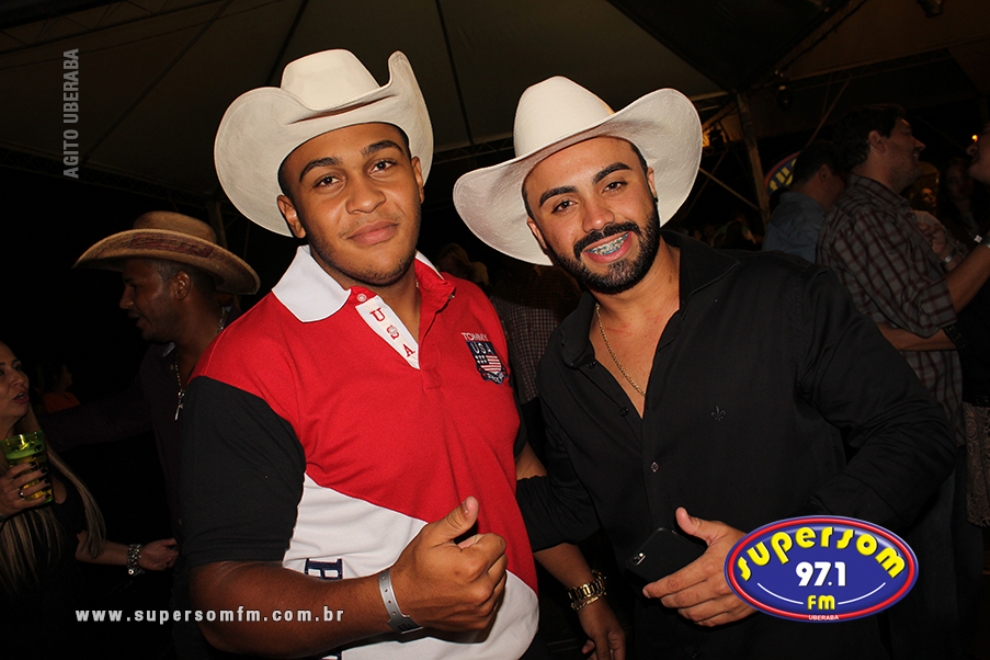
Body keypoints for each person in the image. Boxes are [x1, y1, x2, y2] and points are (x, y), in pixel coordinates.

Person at [452, 76, 957, 658]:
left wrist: (783, 560)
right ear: (539, 233)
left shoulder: (782, 295)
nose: (597, 219)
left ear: (650, 185)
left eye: (613, 183)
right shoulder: (562, 369)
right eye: (563, 203)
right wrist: (433, 500)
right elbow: (575, 503)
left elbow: (915, 433)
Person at [180, 49, 623, 660]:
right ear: (293, 214)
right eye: (327, 179)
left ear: (416, 176)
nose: (365, 197)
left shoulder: (470, 305)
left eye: (381, 164)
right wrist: (394, 599)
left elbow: (511, 463)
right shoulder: (246, 364)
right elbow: (222, 602)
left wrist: (584, 589)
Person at [39, 211, 260, 659]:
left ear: (179, 285)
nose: (124, 301)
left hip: (267, 570)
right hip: (193, 571)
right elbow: (111, 418)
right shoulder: (158, 366)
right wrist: (25, 430)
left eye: (134, 286)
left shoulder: (260, 351)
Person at [818, 104, 990, 658]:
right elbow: (931, 310)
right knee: (932, 600)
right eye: (907, 133)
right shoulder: (862, 218)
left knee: (957, 585)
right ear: (876, 141)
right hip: (910, 437)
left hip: (941, 425)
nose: (919, 145)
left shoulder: (891, 214)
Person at [0, 340, 177, 657]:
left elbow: (63, 539)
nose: (19, 378)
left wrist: (136, 555)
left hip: (73, 634)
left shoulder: (34, 447)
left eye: (17, 367)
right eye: (0, 373)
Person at [762, 141, 845, 262]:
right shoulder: (806, 223)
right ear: (824, 173)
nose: (844, 188)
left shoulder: (786, 214)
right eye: (843, 179)